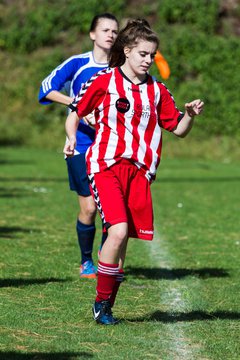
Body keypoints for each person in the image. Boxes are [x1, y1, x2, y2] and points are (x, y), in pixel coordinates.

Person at [64, 19, 204, 325]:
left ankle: (106, 306)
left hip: (139, 174)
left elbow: (178, 129)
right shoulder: (104, 81)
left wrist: (190, 115)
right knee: (118, 231)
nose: (148, 60)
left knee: (122, 242)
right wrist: (72, 136)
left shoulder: (157, 90)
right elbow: (76, 111)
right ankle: (100, 303)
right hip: (105, 166)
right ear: (126, 51)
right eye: (142, 53)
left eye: (152, 55)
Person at [38, 13, 119, 278]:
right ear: (92, 34)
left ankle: (107, 261)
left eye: (115, 31)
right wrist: (76, 104)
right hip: (80, 145)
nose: (110, 34)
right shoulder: (78, 63)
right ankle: (86, 262)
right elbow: (46, 88)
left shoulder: (121, 67)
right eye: (105, 30)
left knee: (111, 208)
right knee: (89, 208)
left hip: (111, 146)